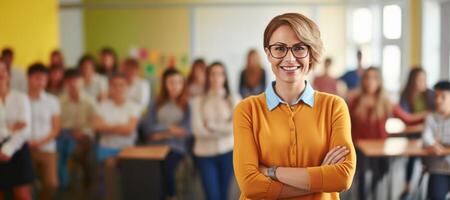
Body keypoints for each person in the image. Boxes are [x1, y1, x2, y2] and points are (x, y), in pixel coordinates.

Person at [233, 13, 356, 199]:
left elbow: (342, 177)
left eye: (299, 48)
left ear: (311, 53)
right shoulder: (247, 110)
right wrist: (321, 177)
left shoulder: (334, 107)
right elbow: (250, 185)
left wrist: (271, 172)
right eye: (279, 48)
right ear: (268, 53)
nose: (289, 58)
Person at [348, 67, 429, 199]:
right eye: (367, 78)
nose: (370, 81)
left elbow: (407, 120)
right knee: (362, 172)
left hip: (380, 149)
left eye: (374, 78)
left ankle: (371, 192)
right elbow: (344, 124)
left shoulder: (386, 102)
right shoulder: (354, 101)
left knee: (381, 171)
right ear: (363, 80)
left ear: (379, 81)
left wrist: (429, 116)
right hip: (358, 148)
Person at [192, 62, 241, 200]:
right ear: (207, 77)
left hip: (227, 152)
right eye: (212, 74)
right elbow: (198, 131)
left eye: (220, 74)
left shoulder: (234, 99)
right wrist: (224, 129)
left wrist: (212, 126)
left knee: (224, 195)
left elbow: (236, 127)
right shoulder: (198, 101)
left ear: (225, 77)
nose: (216, 78)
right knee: (212, 196)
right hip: (204, 155)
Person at [143, 68, 191, 200]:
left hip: (176, 148)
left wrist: (162, 134)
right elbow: (148, 128)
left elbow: (187, 130)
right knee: (151, 173)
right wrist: (171, 128)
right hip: (154, 147)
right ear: (164, 84)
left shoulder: (186, 105)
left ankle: (172, 196)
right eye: (171, 82)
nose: (175, 86)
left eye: (179, 82)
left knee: (166, 167)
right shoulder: (155, 103)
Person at [92, 73, 140, 200]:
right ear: (109, 88)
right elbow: (97, 127)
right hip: (107, 149)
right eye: (114, 85)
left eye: (121, 85)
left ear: (127, 88)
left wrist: (108, 127)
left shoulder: (134, 106)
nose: (118, 88)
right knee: (109, 167)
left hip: (128, 149)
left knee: (133, 175)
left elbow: (129, 130)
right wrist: (119, 127)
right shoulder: (102, 106)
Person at [27, 63, 61, 200]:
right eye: (37, 78)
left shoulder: (52, 101)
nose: (40, 82)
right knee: (25, 186)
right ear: (28, 78)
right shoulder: (20, 99)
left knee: (52, 184)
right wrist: (28, 143)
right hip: (24, 148)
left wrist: (39, 142)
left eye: (43, 79)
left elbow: (56, 129)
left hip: (47, 148)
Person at [399, 67, 434, 198]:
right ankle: (407, 186)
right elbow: (406, 118)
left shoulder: (431, 94)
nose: (422, 82)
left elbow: (436, 115)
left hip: (429, 133)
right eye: (419, 79)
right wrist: (425, 116)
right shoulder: (406, 95)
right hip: (413, 134)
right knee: (412, 158)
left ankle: (426, 184)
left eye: (424, 79)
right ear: (412, 80)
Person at [0, 61, 33, 200]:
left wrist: (8, 148)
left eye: (3, 70)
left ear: (8, 75)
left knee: (22, 195)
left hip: (18, 148)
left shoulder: (21, 97)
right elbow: (17, 126)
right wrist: (10, 128)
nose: (0, 74)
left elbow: (25, 128)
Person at [58, 69, 95, 190]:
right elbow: (56, 123)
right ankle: (63, 183)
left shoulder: (90, 101)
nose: (73, 84)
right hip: (63, 134)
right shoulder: (59, 101)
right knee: (59, 150)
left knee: (79, 151)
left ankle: (85, 179)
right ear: (65, 83)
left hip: (83, 135)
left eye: (76, 80)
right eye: (69, 81)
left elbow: (95, 123)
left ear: (83, 82)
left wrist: (84, 133)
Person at [422, 81, 450, 200]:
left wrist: (444, 148)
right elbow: (426, 138)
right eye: (436, 96)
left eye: (443, 97)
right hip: (439, 169)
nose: (438, 100)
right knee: (435, 195)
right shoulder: (430, 118)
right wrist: (435, 144)